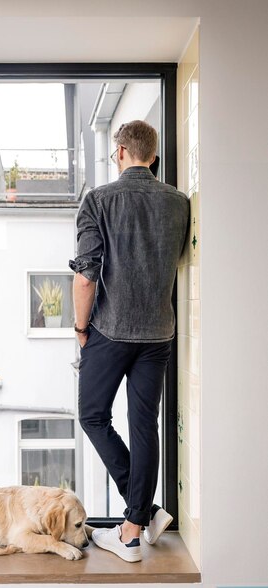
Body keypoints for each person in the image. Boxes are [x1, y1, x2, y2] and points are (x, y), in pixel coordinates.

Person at [69, 120, 189, 563]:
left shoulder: (98, 201)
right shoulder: (180, 203)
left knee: (93, 416)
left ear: (119, 152)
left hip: (109, 330)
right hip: (158, 331)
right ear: (152, 156)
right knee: (145, 427)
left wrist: (81, 329)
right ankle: (138, 521)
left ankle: (136, 526)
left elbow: (85, 277)